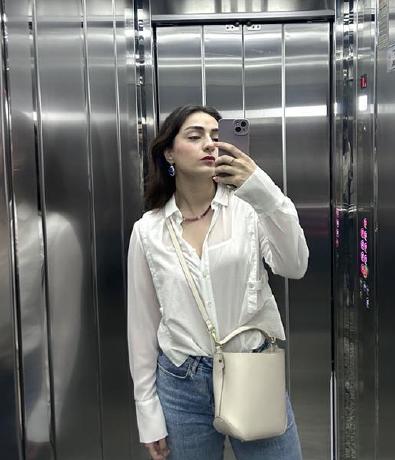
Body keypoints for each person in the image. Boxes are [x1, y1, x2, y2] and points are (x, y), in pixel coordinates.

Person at [127, 105, 309, 460]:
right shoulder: (148, 231)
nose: (209, 144)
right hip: (181, 385)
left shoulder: (250, 210)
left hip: (252, 371)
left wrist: (261, 188)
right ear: (169, 153)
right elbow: (142, 325)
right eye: (195, 136)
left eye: (216, 136)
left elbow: (295, 264)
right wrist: (147, 412)